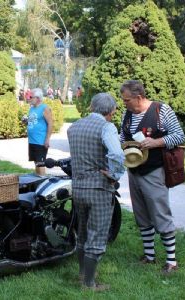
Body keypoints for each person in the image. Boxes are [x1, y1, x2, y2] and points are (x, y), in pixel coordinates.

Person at [119, 80, 185, 274]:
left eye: (127, 100)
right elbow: (123, 136)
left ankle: (171, 261)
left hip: (154, 171)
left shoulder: (161, 110)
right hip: (134, 170)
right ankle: (149, 256)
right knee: (142, 215)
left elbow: (179, 136)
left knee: (160, 213)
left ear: (139, 98)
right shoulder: (128, 114)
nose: (124, 104)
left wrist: (155, 142)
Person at [67, 93, 125, 291]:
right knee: (97, 235)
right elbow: (117, 153)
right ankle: (89, 283)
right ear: (111, 111)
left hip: (78, 189)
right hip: (99, 188)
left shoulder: (73, 127)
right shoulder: (107, 127)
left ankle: (83, 274)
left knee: (82, 232)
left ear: (91, 107)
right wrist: (115, 173)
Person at [24, 88, 53, 175]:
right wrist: (26, 121)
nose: (29, 98)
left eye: (31, 97)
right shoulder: (32, 108)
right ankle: (37, 182)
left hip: (40, 141)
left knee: (40, 164)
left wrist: (47, 139)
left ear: (37, 98)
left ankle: (42, 182)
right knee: (36, 163)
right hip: (32, 141)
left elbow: (50, 123)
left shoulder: (44, 108)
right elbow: (33, 121)